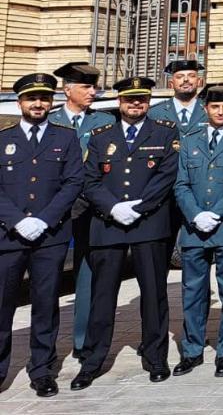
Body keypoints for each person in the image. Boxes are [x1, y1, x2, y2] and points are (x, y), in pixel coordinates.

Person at [73, 76, 180, 390]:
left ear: (148, 101)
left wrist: (140, 206)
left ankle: (156, 358)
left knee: (154, 295)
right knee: (102, 297)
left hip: (150, 225)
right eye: (130, 99)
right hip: (107, 226)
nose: (136, 104)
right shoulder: (99, 135)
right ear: (119, 102)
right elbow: (89, 179)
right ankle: (92, 362)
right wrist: (113, 208)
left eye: (142, 99)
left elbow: (166, 175)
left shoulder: (164, 131)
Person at [0, 73, 83, 398]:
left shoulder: (66, 138)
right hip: (9, 236)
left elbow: (73, 182)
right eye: (31, 98)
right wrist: (17, 221)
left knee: (46, 305)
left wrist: (44, 220)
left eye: (44, 98)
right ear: (19, 102)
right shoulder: (2, 139)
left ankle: (42, 371)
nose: (38, 103)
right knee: (2, 304)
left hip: (50, 237)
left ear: (52, 102)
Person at [173, 83, 223, 378]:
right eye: (215, 107)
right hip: (194, 229)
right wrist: (196, 215)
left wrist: (215, 214)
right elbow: (180, 183)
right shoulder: (190, 138)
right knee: (192, 292)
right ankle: (192, 349)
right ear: (205, 108)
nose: (221, 112)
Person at [47, 61, 112, 363]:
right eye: (86, 86)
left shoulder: (102, 122)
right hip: (53, 212)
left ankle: (83, 341)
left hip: (89, 210)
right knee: (47, 282)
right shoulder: (50, 120)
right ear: (67, 89)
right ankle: (45, 346)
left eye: (94, 86)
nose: (93, 92)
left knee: (87, 276)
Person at [150, 59, 207, 129]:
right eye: (179, 77)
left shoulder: (210, 110)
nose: (186, 79)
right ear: (171, 83)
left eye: (191, 76)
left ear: (199, 81)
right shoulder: (155, 112)